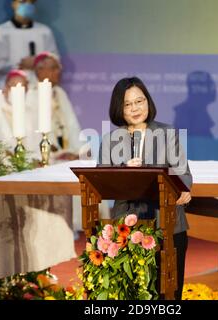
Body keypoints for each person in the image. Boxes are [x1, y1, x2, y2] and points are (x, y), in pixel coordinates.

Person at [99, 77, 192, 300]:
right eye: (128, 104)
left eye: (139, 101)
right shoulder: (110, 140)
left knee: (167, 293)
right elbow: (102, 182)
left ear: (148, 102)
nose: (135, 108)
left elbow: (184, 174)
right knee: (133, 293)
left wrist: (184, 189)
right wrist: (123, 171)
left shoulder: (167, 133)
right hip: (127, 227)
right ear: (119, 109)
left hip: (168, 224)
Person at [0, 0, 59, 86]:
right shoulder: (1, 32)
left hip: (39, 88)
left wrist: (37, 63)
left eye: (31, 2)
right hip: (9, 87)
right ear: (14, 4)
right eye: (22, 1)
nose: (27, 5)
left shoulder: (44, 32)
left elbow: (55, 61)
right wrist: (21, 64)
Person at [27, 52, 83, 160]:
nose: (59, 71)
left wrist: (79, 151)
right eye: (54, 68)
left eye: (58, 68)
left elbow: (72, 124)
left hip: (67, 154)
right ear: (39, 71)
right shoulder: (31, 95)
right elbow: (33, 129)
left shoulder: (60, 92)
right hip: (47, 156)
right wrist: (56, 153)